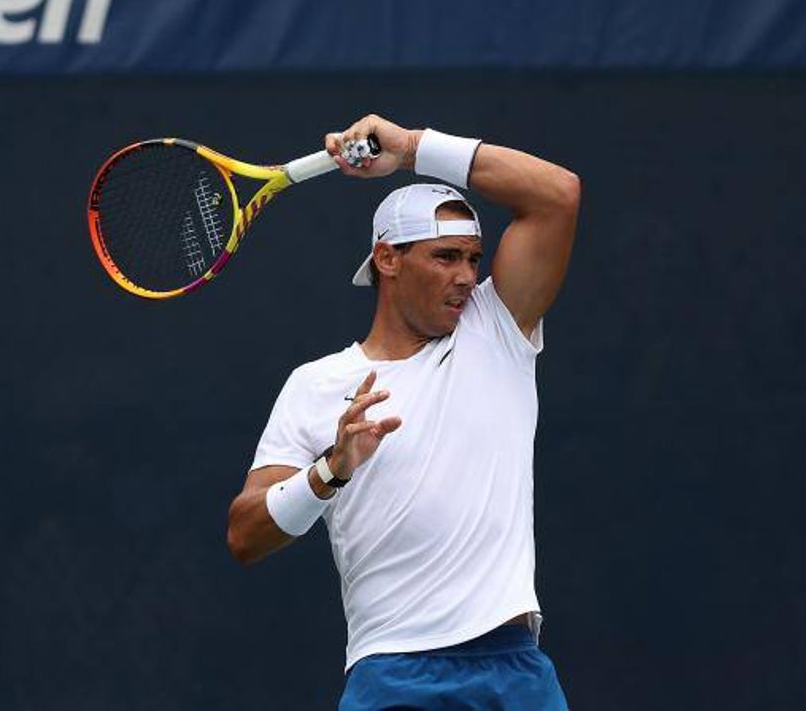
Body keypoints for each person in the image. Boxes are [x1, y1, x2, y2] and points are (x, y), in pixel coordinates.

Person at [226, 114, 580, 710]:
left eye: (473, 259)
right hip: (392, 673)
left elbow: (557, 194)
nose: (466, 277)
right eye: (446, 257)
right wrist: (330, 471)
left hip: (511, 670)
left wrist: (413, 148)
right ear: (388, 259)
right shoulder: (316, 385)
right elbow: (245, 534)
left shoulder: (497, 328)